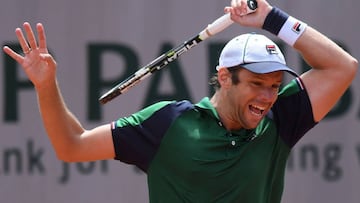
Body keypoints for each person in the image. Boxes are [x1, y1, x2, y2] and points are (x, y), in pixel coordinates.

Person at [3, 0, 357, 202]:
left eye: (275, 85)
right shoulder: (168, 123)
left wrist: (271, 18)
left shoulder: (280, 118)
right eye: (257, 84)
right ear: (223, 78)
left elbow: (343, 66)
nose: (267, 96)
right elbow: (72, 146)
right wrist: (45, 85)